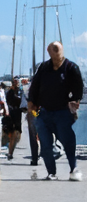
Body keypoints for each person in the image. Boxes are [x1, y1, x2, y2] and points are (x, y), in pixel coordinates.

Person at [27, 41, 82, 181]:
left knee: (68, 141)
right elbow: (35, 85)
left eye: (58, 49)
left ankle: (73, 169)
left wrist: (75, 101)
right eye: (54, 50)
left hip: (63, 112)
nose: (57, 53)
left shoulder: (71, 67)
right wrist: (31, 101)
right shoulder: (44, 67)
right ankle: (51, 172)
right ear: (49, 51)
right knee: (45, 144)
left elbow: (78, 87)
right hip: (43, 112)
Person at [4, 78, 24, 161]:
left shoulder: (20, 91)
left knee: (17, 134)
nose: (16, 84)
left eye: (17, 82)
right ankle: (10, 153)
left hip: (18, 114)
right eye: (15, 82)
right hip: (11, 114)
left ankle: (10, 151)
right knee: (12, 134)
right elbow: (8, 102)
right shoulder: (9, 92)